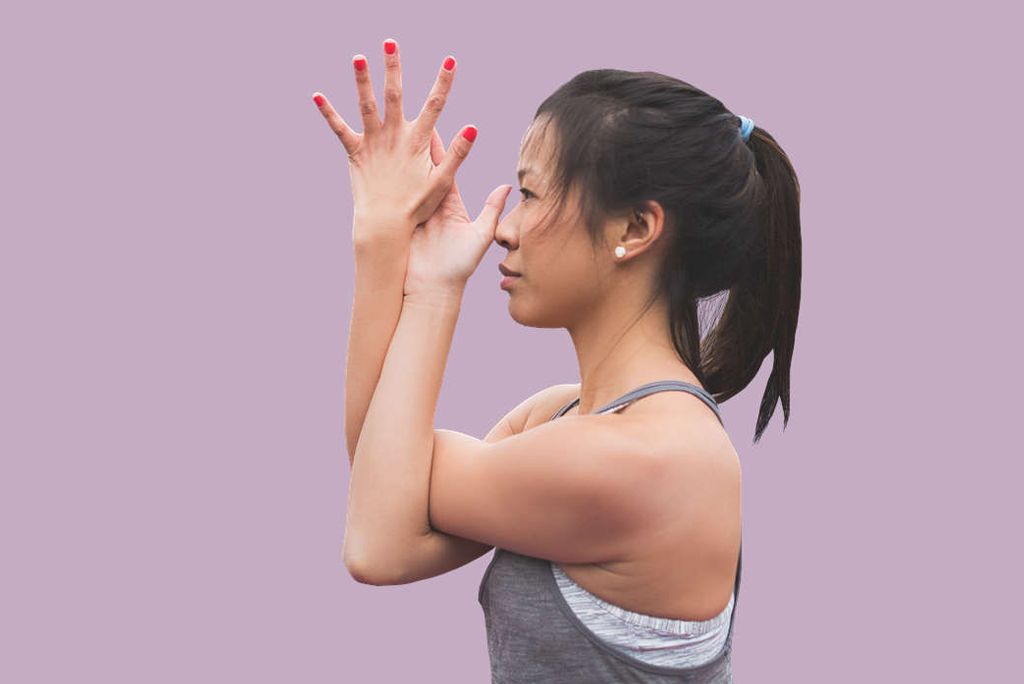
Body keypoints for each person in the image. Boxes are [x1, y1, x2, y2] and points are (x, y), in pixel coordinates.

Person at [315, 38, 801, 683]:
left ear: (633, 230)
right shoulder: (557, 417)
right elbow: (387, 499)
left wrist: (431, 292)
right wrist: (384, 244)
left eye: (531, 195)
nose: (504, 228)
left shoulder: (647, 459)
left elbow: (374, 543)